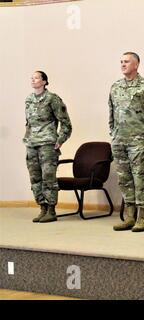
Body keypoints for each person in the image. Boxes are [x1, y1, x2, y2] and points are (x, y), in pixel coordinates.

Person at [109, 52, 144, 232]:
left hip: (139, 141)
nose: (123, 64)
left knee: (140, 179)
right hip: (120, 141)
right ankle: (129, 216)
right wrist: (113, 134)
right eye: (121, 62)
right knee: (125, 180)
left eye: (126, 62)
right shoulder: (115, 87)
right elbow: (111, 113)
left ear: (136, 65)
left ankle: (142, 217)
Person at [23, 71, 72, 223]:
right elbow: (29, 123)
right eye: (32, 78)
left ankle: (51, 210)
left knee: (48, 178)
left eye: (36, 77)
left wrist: (60, 140)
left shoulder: (52, 99)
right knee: (35, 178)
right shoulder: (29, 99)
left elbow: (66, 123)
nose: (33, 80)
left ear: (44, 81)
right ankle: (42, 208)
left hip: (47, 144)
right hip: (31, 143)